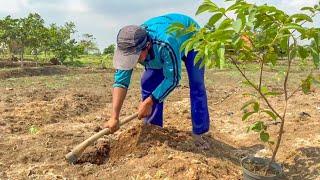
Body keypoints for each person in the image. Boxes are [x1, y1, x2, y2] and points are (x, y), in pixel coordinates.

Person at [104, 13, 210, 148]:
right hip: (162, 47)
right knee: (148, 82)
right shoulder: (129, 45)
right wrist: (114, 116)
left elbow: (173, 79)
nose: (133, 61)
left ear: (147, 46)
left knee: (196, 84)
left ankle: (199, 132)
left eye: (135, 57)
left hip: (192, 38)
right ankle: (153, 129)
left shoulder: (165, 43)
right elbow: (121, 82)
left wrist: (150, 101)